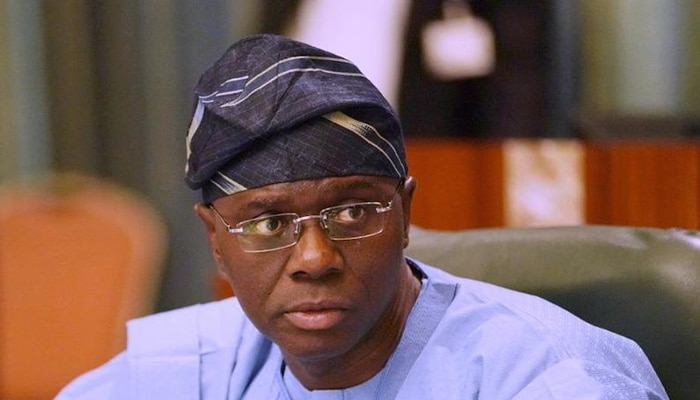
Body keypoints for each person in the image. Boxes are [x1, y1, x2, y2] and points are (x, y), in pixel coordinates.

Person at [56, 34, 668, 399]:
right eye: (268, 224)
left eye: (351, 212)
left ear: (405, 213)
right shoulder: (183, 371)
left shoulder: (552, 377)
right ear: (216, 240)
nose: (314, 258)